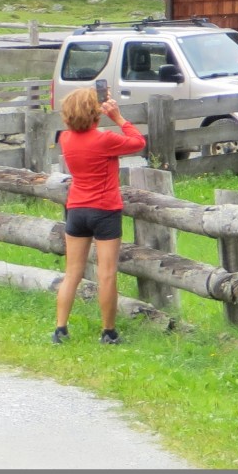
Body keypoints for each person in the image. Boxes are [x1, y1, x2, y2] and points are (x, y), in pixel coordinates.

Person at [53, 86, 145, 345]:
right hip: (104, 209)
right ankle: (108, 332)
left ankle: (60, 329)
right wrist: (117, 117)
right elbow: (138, 142)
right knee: (106, 273)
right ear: (95, 113)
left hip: (76, 209)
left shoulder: (65, 139)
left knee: (72, 272)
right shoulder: (104, 139)